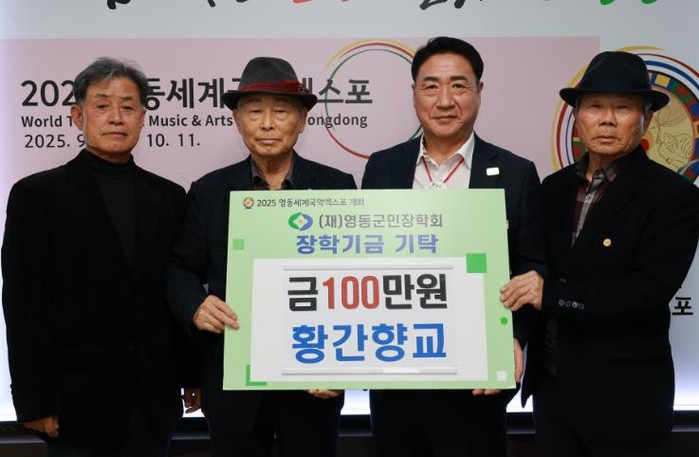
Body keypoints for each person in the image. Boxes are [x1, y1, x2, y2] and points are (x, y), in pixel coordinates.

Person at [500, 51, 699, 457]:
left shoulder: (674, 196)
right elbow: (531, 266)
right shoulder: (552, 188)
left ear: (646, 118)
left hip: (626, 400)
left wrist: (552, 295)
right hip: (552, 395)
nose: (607, 120)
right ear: (577, 116)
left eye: (623, 108)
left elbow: (646, 293)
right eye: (595, 107)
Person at [1, 57, 199, 457]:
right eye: (102, 105)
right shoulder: (36, 195)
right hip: (74, 403)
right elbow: (24, 304)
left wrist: (191, 373)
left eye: (128, 106)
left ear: (143, 118)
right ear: (78, 116)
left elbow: (178, 289)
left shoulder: (169, 196)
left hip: (152, 401)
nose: (116, 117)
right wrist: (34, 398)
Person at [361, 36, 547, 457]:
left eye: (459, 86)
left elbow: (531, 264)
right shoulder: (383, 166)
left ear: (479, 91)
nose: (445, 100)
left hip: (477, 374)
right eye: (431, 86)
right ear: (414, 94)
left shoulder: (515, 172)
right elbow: (363, 260)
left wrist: (513, 337)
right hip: (396, 371)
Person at [166, 56, 356, 457]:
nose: (267, 124)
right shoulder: (209, 191)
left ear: (302, 121)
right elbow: (180, 268)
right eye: (254, 112)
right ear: (237, 121)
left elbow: (355, 280)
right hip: (234, 386)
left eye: (281, 112)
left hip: (313, 381)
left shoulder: (337, 187)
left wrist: (342, 364)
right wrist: (195, 304)